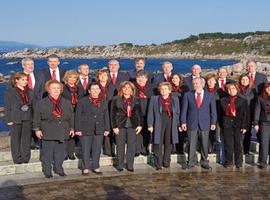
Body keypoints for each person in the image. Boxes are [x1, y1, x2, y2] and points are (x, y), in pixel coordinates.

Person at [33, 80, 74, 178]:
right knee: (47, 153)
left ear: (61, 90)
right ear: (48, 90)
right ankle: (47, 170)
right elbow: (36, 117)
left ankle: (59, 168)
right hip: (48, 130)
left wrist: (72, 128)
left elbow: (71, 117)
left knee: (61, 153)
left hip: (62, 130)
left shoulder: (67, 102)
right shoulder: (41, 103)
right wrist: (37, 129)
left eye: (58, 88)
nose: (56, 90)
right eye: (53, 88)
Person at [181, 77, 217, 170]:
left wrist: (213, 122)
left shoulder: (210, 96)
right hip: (191, 122)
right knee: (191, 144)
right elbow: (184, 110)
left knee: (205, 144)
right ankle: (191, 162)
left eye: (196, 83)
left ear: (202, 84)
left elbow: (213, 111)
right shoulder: (188, 95)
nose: (194, 85)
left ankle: (204, 162)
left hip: (205, 123)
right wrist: (183, 122)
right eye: (193, 83)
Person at [75, 83, 110, 175]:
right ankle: (85, 167)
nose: (95, 91)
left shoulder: (104, 101)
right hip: (85, 128)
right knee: (85, 149)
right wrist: (77, 129)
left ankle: (96, 166)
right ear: (89, 91)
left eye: (97, 89)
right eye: (93, 89)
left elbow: (106, 116)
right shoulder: (82, 101)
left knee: (97, 149)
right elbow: (77, 116)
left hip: (99, 128)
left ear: (99, 90)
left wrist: (107, 128)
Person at [148, 82, 180, 170]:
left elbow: (177, 113)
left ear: (170, 90)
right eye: (162, 89)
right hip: (158, 123)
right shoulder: (154, 99)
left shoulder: (175, 99)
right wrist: (150, 124)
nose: (164, 91)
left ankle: (166, 162)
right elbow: (150, 112)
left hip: (171, 123)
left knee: (168, 143)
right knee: (157, 143)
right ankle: (158, 164)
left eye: (166, 89)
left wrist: (178, 124)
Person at [111, 81, 142, 172]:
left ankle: (130, 165)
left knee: (131, 146)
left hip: (132, 125)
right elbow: (112, 114)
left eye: (129, 88)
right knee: (120, 145)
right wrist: (114, 126)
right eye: (125, 87)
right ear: (121, 89)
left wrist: (140, 125)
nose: (127, 89)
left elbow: (139, 113)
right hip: (120, 125)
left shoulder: (136, 99)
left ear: (132, 90)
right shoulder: (116, 99)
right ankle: (120, 165)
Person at [4, 72, 34, 164]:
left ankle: (25, 157)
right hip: (16, 117)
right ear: (16, 80)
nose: (25, 81)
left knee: (26, 138)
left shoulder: (30, 91)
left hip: (28, 117)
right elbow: (8, 106)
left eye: (26, 80)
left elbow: (33, 105)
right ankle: (17, 158)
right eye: (23, 80)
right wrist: (8, 119)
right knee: (15, 139)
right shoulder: (10, 92)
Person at [104, 60, 129, 157]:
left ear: (119, 66)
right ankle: (108, 150)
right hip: (106, 104)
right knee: (108, 126)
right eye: (111, 65)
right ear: (108, 66)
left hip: (120, 105)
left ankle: (118, 148)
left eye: (115, 65)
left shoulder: (125, 76)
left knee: (119, 127)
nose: (113, 66)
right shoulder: (104, 75)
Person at [220, 83, 248, 168]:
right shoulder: (223, 100)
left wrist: (244, 126)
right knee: (228, 144)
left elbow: (246, 114)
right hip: (227, 125)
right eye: (229, 89)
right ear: (227, 91)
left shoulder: (243, 100)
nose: (231, 90)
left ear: (236, 89)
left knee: (238, 144)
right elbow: (221, 114)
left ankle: (238, 162)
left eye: (233, 89)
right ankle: (229, 162)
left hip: (239, 125)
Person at [134, 70, 154, 156]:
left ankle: (145, 149)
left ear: (146, 79)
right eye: (139, 77)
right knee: (137, 132)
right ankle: (137, 149)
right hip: (136, 113)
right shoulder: (133, 88)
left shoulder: (151, 88)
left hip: (147, 112)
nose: (141, 79)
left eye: (143, 77)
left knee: (146, 132)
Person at [62, 70, 80, 160]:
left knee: (73, 133)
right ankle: (64, 153)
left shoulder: (80, 89)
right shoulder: (62, 88)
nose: (72, 79)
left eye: (74, 77)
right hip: (66, 112)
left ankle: (71, 152)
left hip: (77, 112)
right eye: (70, 77)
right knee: (66, 132)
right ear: (66, 78)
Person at [238, 74, 256, 155]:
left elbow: (256, 104)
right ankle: (239, 149)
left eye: (246, 80)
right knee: (239, 133)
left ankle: (246, 150)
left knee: (248, 133)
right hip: (239, 115)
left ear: (249, 81)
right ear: (240, 81)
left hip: (250, 114)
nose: (244, 81)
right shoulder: (237, 90)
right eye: (243, 80)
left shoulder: (253, 90)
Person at [170, 73, 188, 154]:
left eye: (176, 78)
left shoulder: (184, 88)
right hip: (172, 111)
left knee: (181, 130)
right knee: (173, 129)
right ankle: (173, 148)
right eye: (173, 78)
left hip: (182, 110)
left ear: (180, 79)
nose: (174, 79)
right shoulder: (169, 88)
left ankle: (180, 148)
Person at [253, 82, 270, 169]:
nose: (269, 89)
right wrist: (255, 123)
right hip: (264, 123)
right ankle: (263, 162)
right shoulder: (260, 98)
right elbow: (257, 111)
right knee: (264, 142)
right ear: (265, 89)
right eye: (267, 88)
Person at [205, 74, 220, 154]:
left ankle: (212, 146)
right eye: (209, 80)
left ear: (215, 81)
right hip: (205, 114)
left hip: (216, 113)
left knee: (214, 131)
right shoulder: (203, 90)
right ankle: (208, 147)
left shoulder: (219, 91)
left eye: (212, 80)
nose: (210, 82)